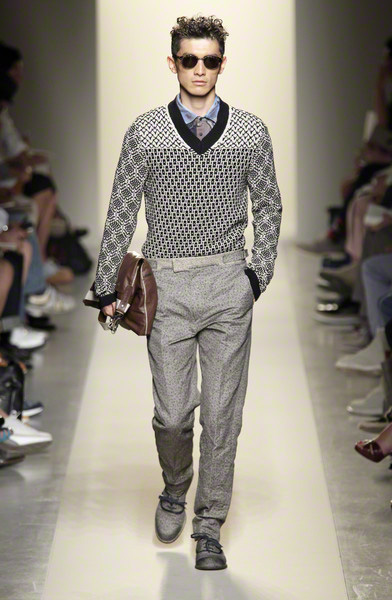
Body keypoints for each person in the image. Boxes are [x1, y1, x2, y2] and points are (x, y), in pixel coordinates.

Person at [94, 14, 282, 571]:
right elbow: (122, 208)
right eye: (189, 59)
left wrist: (255, 278)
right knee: (173, 415)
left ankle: (208, 525)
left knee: (222, 418)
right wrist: (106, 285)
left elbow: (269, 205)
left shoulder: (250, 131)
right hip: (167, 287)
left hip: (227, 285)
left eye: (210, 60)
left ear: (223, 64)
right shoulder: (146, 130)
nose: (200, 69)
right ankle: (175, 487)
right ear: (172, 63)